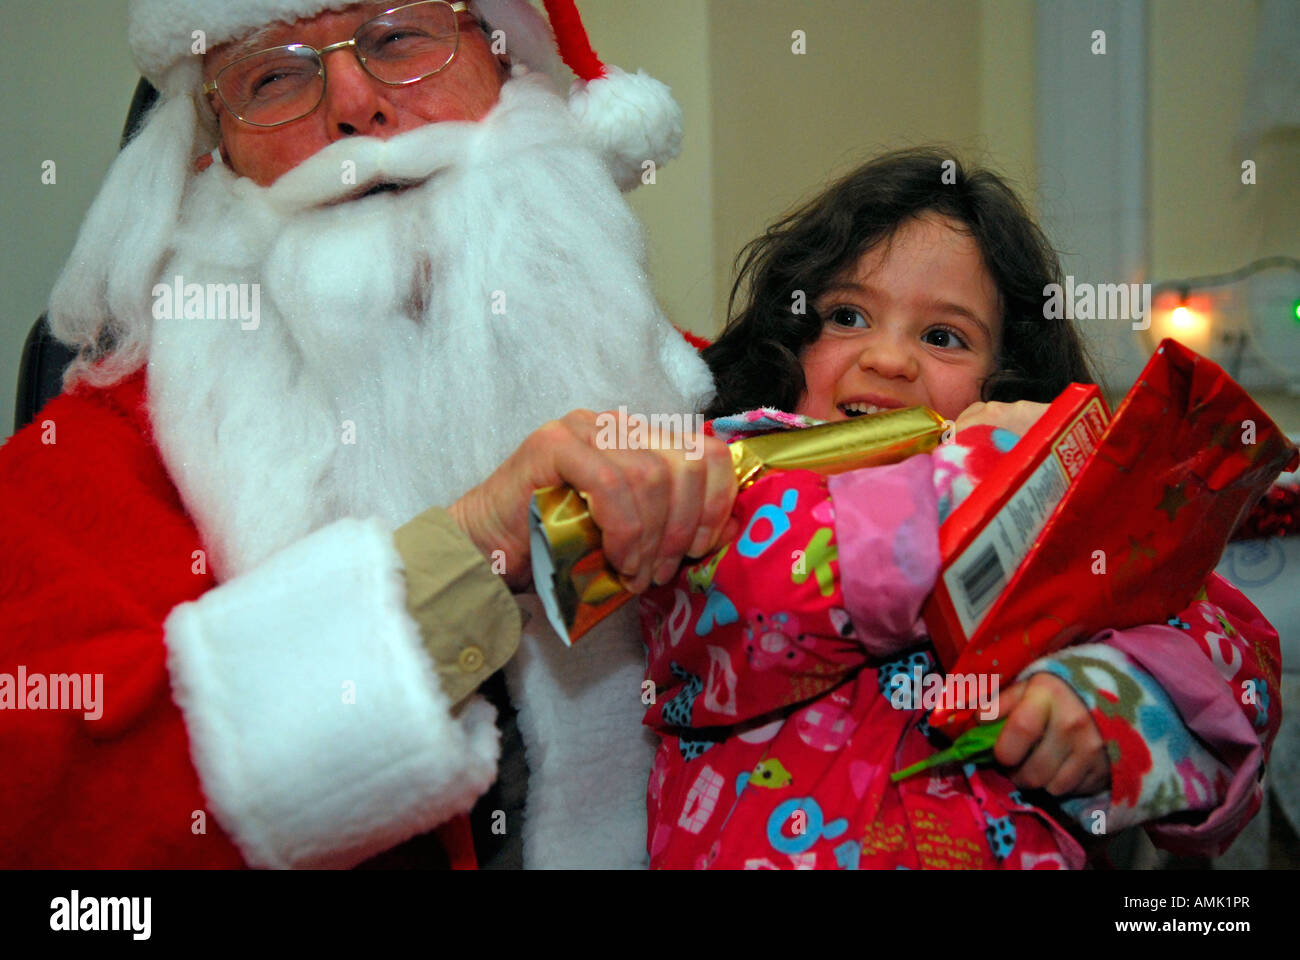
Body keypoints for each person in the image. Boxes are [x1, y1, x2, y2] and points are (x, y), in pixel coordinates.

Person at [0, 0, 739, 869]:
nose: (354, 104)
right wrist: (451, 565)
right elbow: (45, 812)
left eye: (400, 39)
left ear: (510, 68)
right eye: (274, 75)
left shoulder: (713, 397)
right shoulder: (98, 451)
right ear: (218, 151)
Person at [638, 150, 1281, 869]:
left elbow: (1232, 658)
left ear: (1003, 379)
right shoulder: (720, 478)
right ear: (789, 338)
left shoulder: (1060, 510)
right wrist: (982, 473)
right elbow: (763, 601)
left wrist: (1109, 703)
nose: (888, 359)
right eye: (847, 316)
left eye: (943, 337)